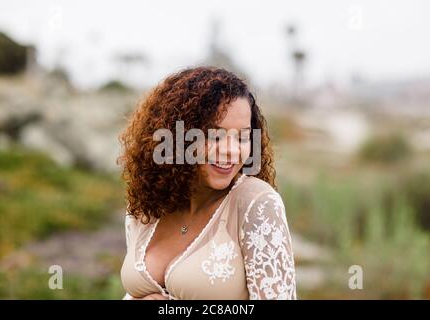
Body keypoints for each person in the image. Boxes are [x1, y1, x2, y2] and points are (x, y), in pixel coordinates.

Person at [117, 66, 296, 300]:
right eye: (215, 135)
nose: (231, 151)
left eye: (242, 137)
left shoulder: (256, 203)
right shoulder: (147, 207)